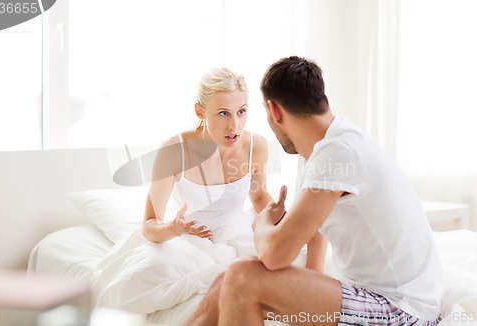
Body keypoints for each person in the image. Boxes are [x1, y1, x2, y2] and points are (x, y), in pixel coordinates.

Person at [186, 56, 443, 325]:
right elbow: (316, 225)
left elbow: (274, 256)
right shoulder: (320, 148)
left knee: (242, 277)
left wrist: (261, 224)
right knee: (226, 281)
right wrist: (311, 282)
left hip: (401, 311)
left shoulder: (338, 152)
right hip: (367, 296)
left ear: (274, 110)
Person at [91, 67, 275, 314]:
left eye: (241, 111)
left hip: (234, 233)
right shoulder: (174, 151)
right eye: (223, 113)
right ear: (200, 111)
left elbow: (259, 196)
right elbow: (150, 224)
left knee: (283, 260)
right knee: (143, 275)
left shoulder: (256, 146)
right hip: (183, 240)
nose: (235, 125)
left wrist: (280, 214)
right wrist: (174, 229)